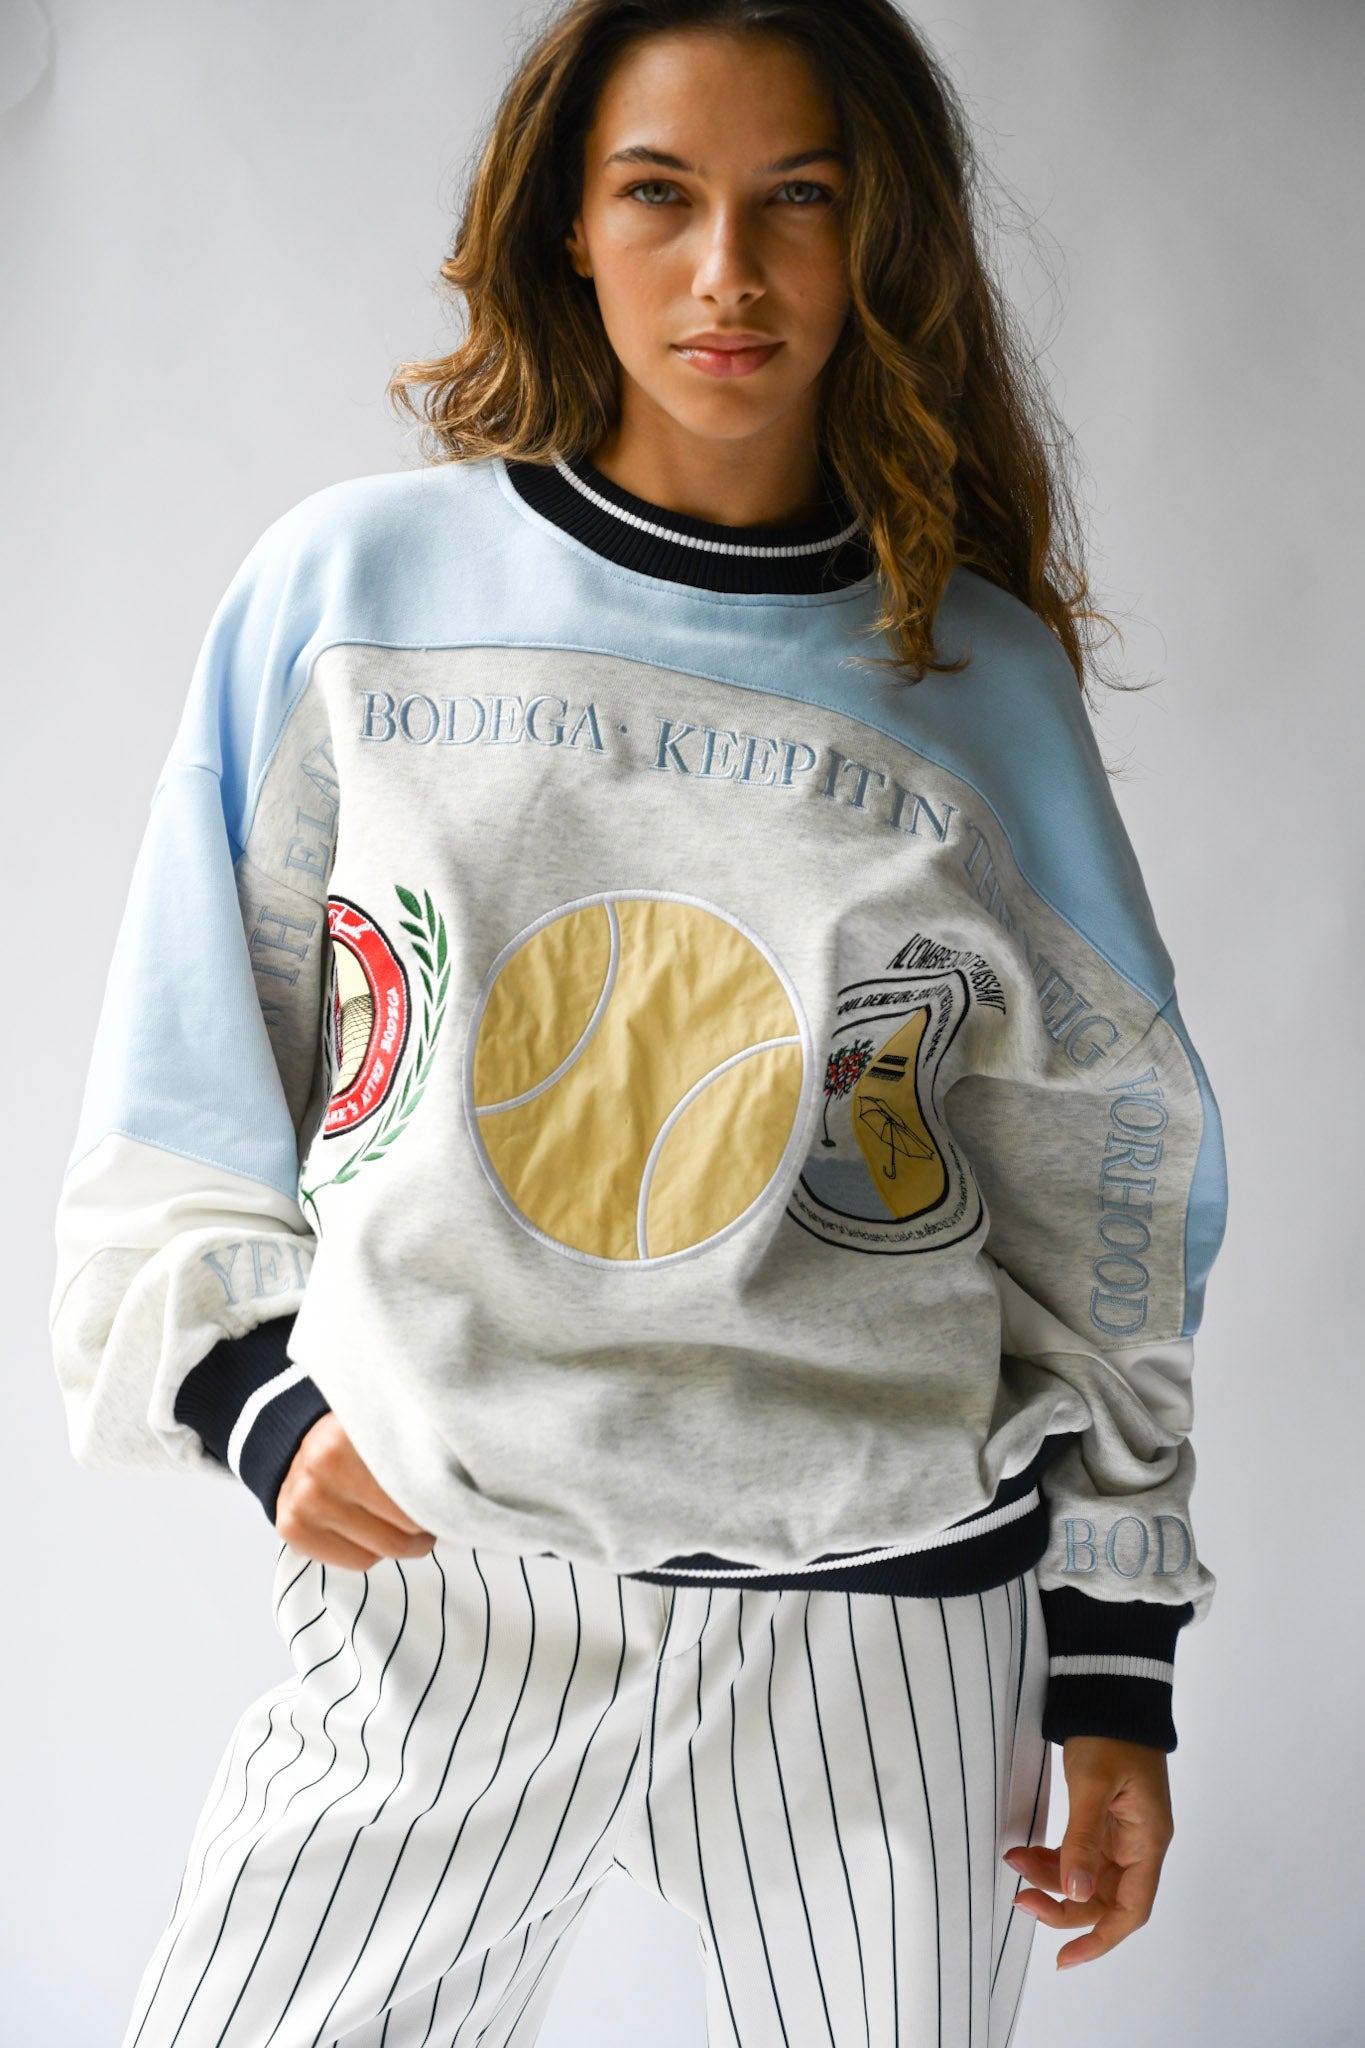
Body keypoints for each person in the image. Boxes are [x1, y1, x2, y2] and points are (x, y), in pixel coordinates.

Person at [49, 2, 1227, 2042]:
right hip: (443, 1586)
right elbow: (190, 1057)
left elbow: (1102, 1190)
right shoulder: (349, 596)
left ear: (879, 240)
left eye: (799, 200)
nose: (727, 272)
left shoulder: (977, 682)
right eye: (659, 195)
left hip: (880, 1622)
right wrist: (251, 1389)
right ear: (563, 230)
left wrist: (1114, 1669)